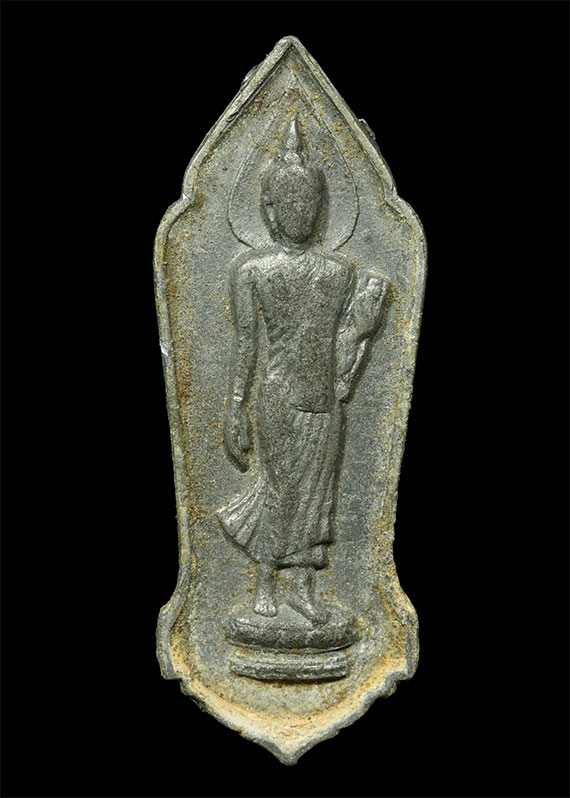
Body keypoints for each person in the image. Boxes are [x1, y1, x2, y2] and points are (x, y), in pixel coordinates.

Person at [217, 117, 388, 626]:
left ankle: (305, 590)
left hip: (324, 401)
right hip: (278, 397)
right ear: (269, 210)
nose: (299, 213)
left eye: (308, 203)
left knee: (319, 496)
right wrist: (235, 407)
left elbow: (342, 351)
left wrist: (362, 330)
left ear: (320, 209)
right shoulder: (253, 271)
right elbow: (246, 344)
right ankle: (266, 581)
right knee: (282, 488)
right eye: (288, 204)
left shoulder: (339, 273)